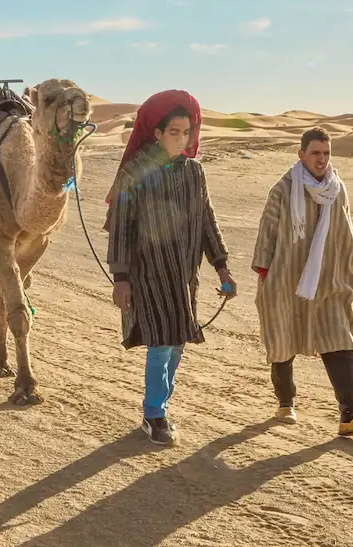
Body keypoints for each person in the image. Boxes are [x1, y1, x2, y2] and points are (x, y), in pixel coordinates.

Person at [106, 89, 237, 447]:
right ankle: (154, 414)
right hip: (148, 273)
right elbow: (120, 228)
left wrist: (222, 267)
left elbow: (207, 220)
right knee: (161, 342)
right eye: (174, 132)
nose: (181, 139)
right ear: (158, 134)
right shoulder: (135, 172)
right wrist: (121, 279)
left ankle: (161, 405)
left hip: (184, 274)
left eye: (187, 133)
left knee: (176, 341)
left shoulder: (195, 172)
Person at [251, 126, 353, 436]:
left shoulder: (338, 190)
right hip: (286, 279)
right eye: (315, 153)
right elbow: (268, 232)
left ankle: (349, 416)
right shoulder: (283, 189)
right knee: (283, 340)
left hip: (328, 282)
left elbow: (345, 232)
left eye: (326, 153)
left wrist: (347, 270)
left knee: (339, 339)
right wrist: (266, 275)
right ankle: (286, 403)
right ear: (301, 155)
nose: (322, 159)